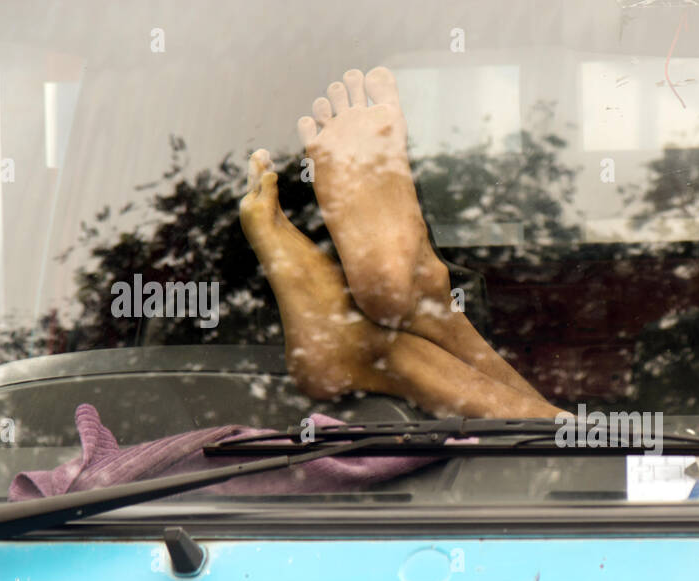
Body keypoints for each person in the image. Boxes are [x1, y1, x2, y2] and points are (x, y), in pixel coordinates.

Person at [239, 67, 565, 420]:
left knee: (592, 441)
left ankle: (385, 343)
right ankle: (416, 305)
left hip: (609, 458)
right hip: (595, 463)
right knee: (591, 441)